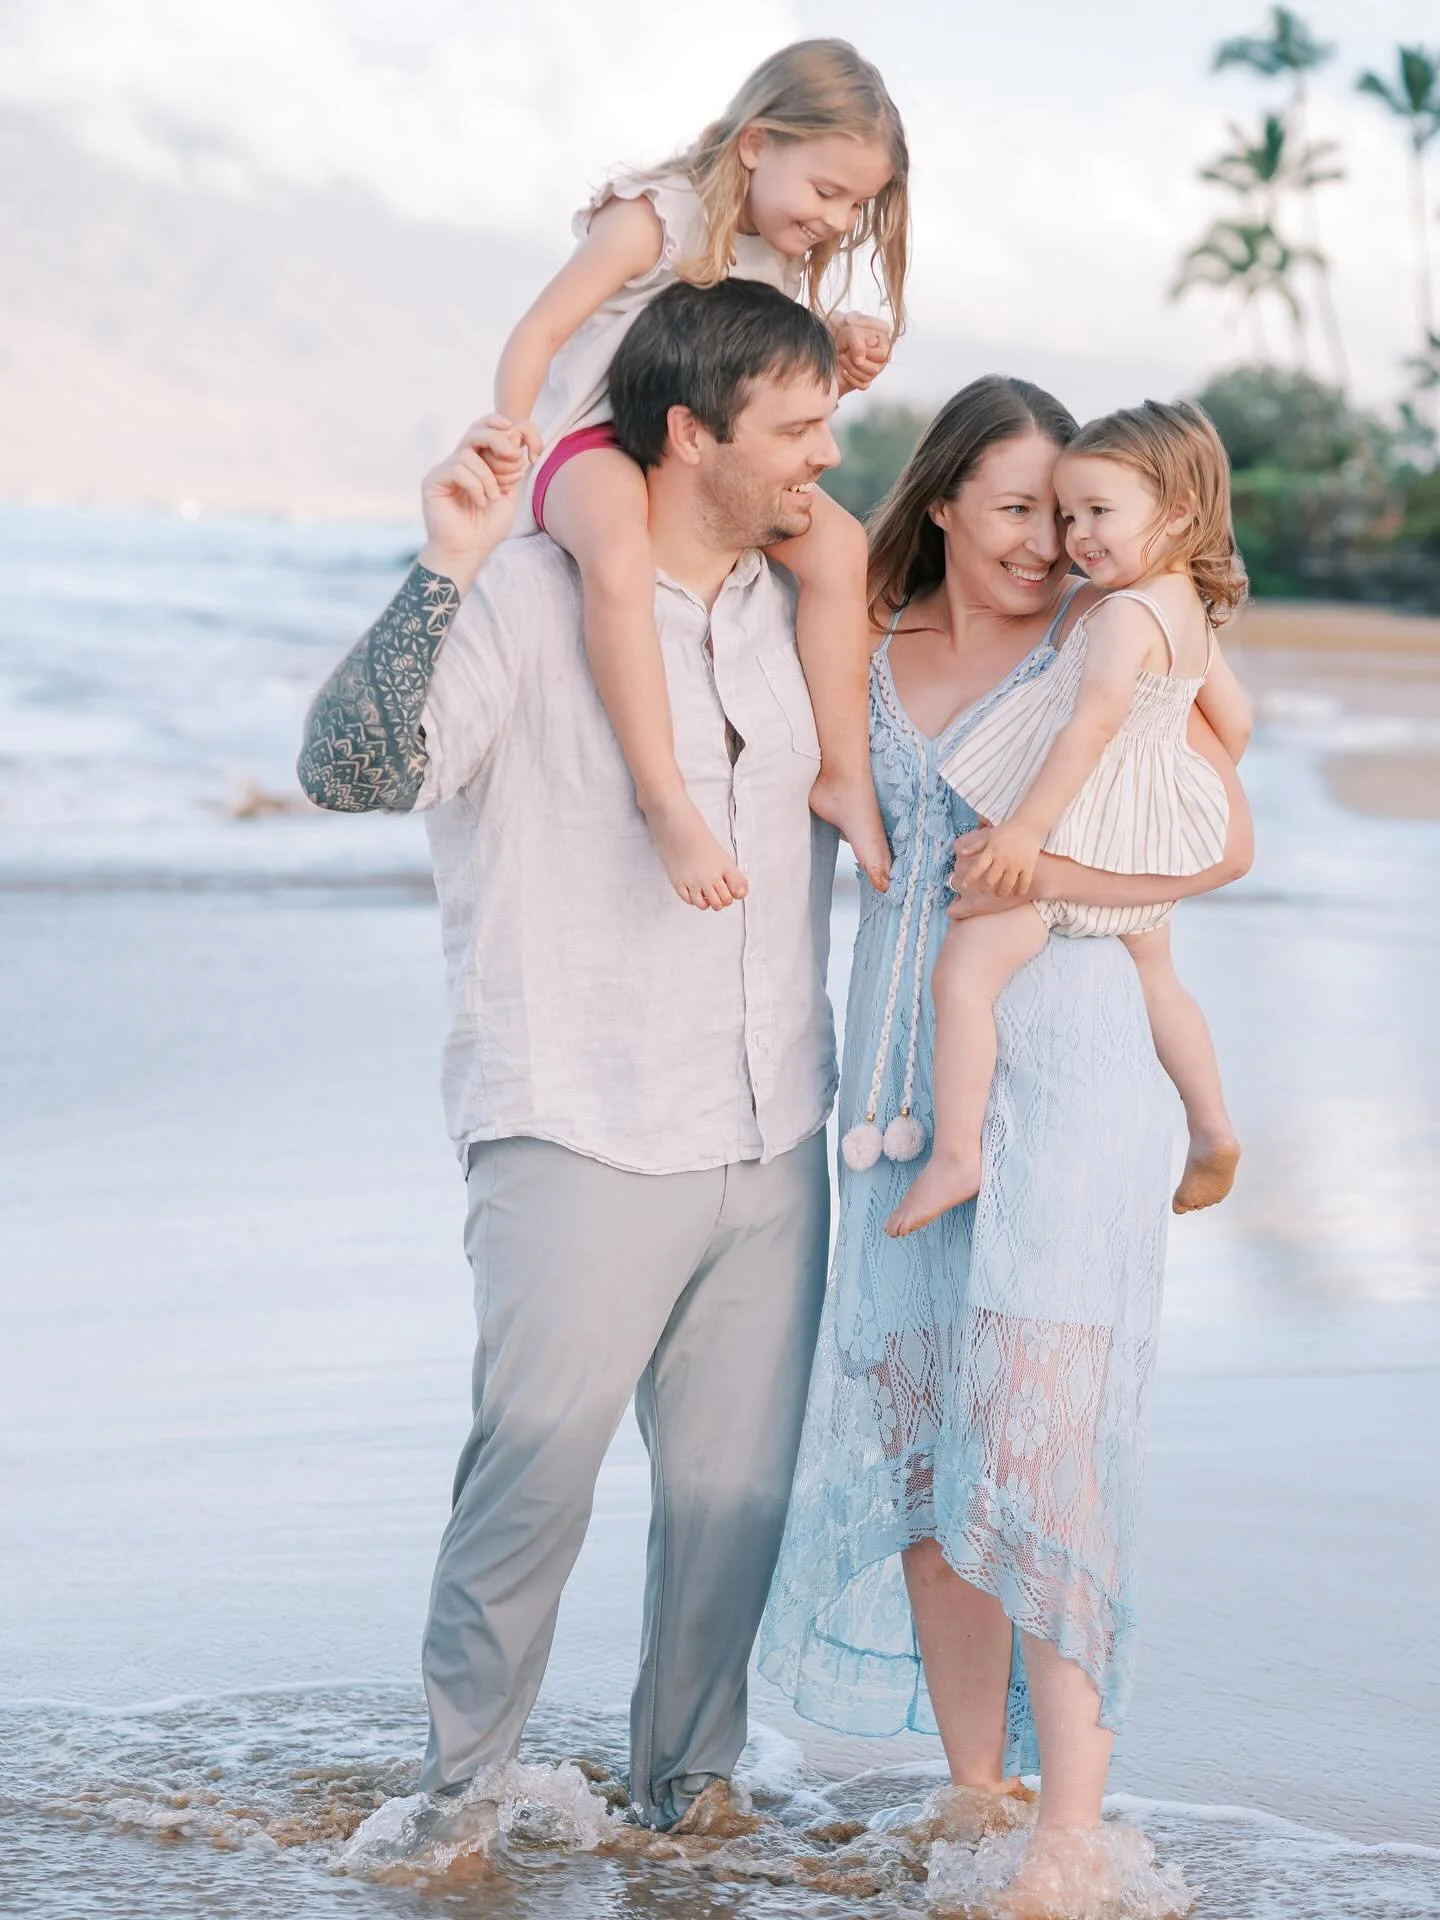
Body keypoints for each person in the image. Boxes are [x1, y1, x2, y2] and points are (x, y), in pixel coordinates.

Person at [296, 280, 845, 1829]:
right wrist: (441, 565)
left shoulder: (792, 606)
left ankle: (695, 1797)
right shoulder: (533, 601)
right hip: (580, 1118)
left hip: (772, 1124)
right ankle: (457, 1809)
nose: (825, 454)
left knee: (732, 1513)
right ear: (690, 433)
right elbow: (346, 770)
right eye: (797, 428)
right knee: (530, 1491)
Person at [758, 377, 1253, 1914]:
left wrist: (1050, 876)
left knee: (1041, 1448)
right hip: (903, 1079)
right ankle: (979, 1795)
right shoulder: (862, 635)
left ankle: (1068, 1835)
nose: (1050, 538)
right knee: (927, 1470)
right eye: (1020, 508)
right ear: (950, 501)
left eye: (1068, 510)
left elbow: (1226, 837)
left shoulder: (1106, 625)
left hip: (1077, 1063)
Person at [481, 36, 907, 908]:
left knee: (839, 549)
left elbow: (747, 395)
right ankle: (665, 796)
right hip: (595, 440)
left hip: (696, 453)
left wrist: (833, 349)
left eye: (854, 205)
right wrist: (509, 433)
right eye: (827, 190)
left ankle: (842, 770)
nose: (836, 218)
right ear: (756, 143)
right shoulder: (655, 216)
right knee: (619, 558)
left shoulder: (784, 257)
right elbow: (541, 330)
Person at [884, 400, 1250, 1239]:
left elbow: (1088, 724)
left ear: (1180, 513)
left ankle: (957, 1155)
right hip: (1139, 830)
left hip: (1073, 831)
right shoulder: (1186, 606)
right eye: (1064, 513)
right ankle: (1212, 1126)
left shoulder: (1120, 614)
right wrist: (1165, 785)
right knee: (1160, 980)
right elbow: (1235, 721)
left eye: (1096, 514)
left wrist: (1023, 836)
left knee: (963, 978)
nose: (1074, 539)